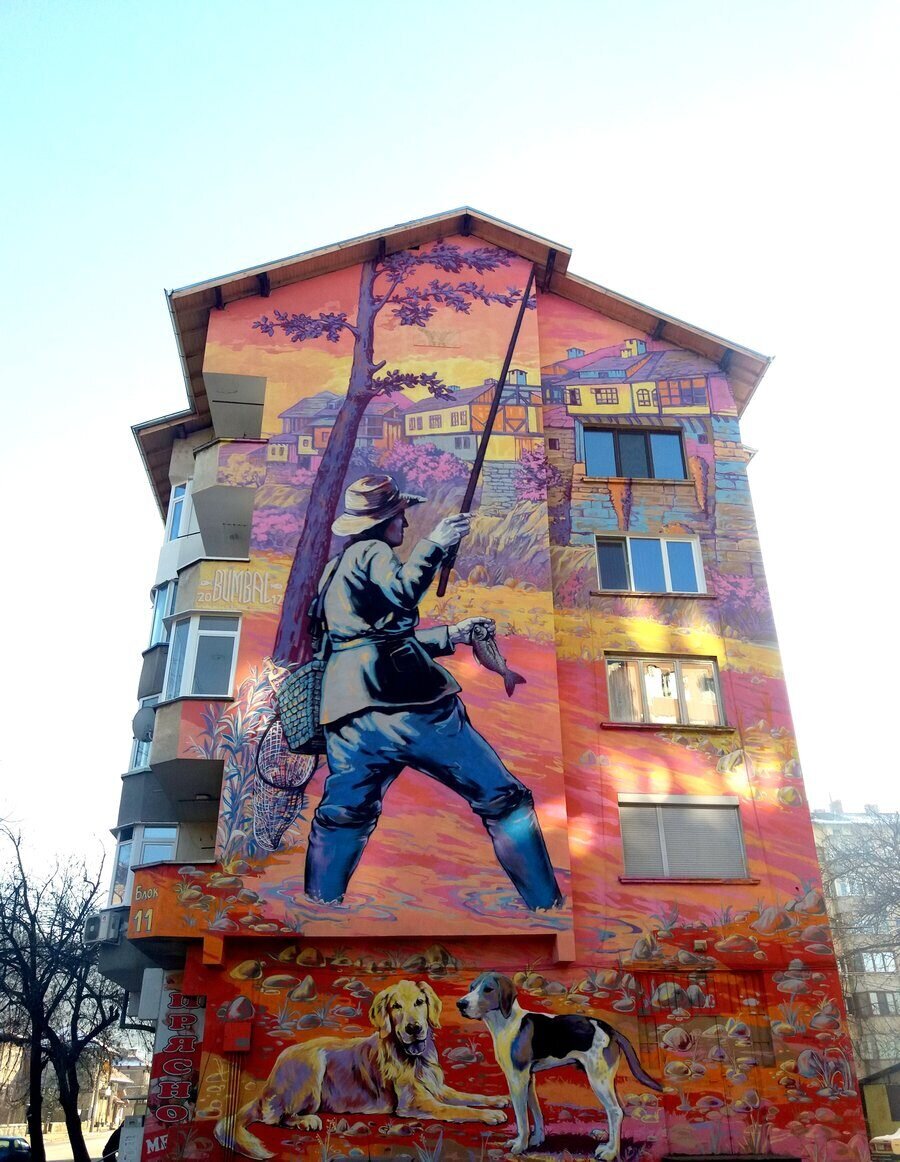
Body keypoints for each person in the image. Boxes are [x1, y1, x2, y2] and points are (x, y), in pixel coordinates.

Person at [303, 474, 563, 910]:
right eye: (400, 516)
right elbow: (404, 593)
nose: (405, 524)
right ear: (382, 521)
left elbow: (366, 641)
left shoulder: (335, 569)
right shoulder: (373, 551)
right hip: (410, 707)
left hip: (347, 714)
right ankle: (546, 907)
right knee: (504, 799)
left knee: (344, 815)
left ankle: (317, 908)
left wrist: (451, 634)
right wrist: (436, 543)